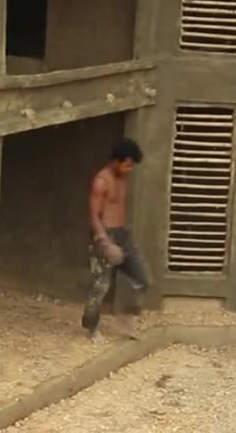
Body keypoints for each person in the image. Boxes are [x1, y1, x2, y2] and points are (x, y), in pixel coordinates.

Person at [81, 138, 150, 341]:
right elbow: (94, 216)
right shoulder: (101, 181)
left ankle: (125, 319)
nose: (129, 169)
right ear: (117, 161)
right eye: (127, 164)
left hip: (122, 234)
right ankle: (92, 328)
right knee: (100, 285)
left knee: (141, 278)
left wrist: (121, 238)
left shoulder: (122, 177)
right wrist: (105, 242)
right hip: (104, 235)